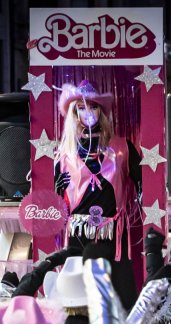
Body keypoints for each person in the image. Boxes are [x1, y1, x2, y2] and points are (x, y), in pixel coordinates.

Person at [54, 80, 143, 309]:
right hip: (78, 233)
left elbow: (144, 184)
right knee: (79, 291)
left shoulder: (122, 147)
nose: (88, 112)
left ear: (101, 111)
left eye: (93, 107)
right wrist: (56, 190)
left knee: (120, 289)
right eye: (82, 108)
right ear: (74, 113)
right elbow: (54, 204)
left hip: (113, 233)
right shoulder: (64, 155)